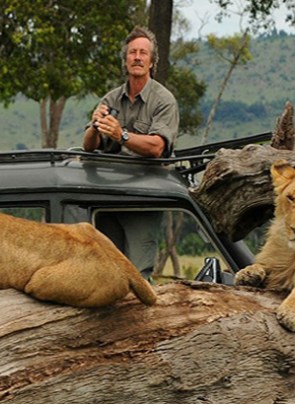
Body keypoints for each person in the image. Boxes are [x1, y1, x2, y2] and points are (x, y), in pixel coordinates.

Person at [82, 26, 180, 281]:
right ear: (125, 60)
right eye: (132, 52)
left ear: (151, 61)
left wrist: (121, 135)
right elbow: (88, 146)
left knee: (138, 273)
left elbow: (158, 147)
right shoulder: (112, 98)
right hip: (109, 196)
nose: (137, 57)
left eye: (143, 53)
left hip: (142, 197)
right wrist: (95, 125)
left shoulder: (163, 100)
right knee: (105, 270)